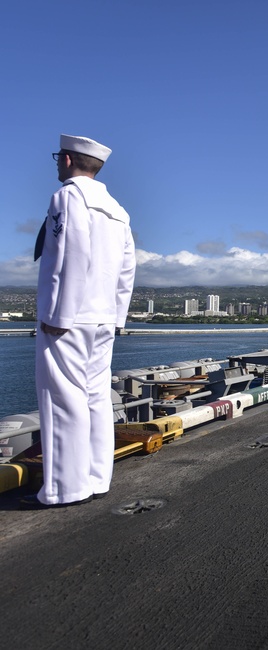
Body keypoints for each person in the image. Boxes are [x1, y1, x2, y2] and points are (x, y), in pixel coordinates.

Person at [26, 135, 136, 509]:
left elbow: (68, 255)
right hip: (103, 318)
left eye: (59, 157)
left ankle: (64, 488)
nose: (58, 163)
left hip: (70, 318)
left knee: (62, 399)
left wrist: (58, 314)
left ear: (69, 160)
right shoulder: (118, 210)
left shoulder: (69, 197)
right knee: (94, 397)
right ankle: (96, 477)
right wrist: (117, 316)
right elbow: (127, 270)